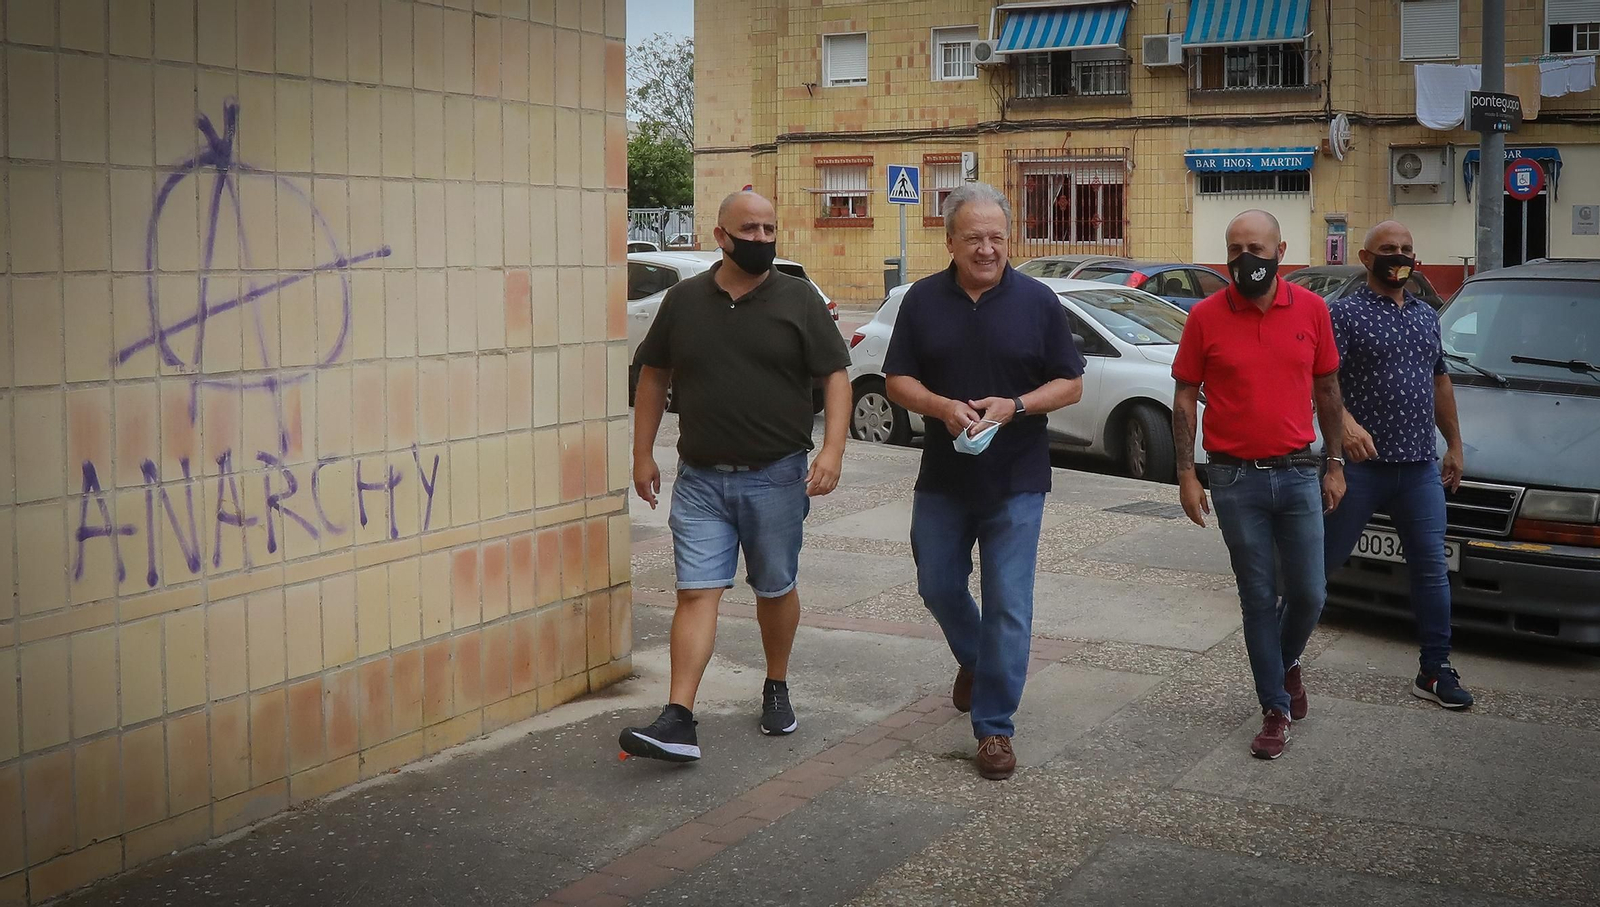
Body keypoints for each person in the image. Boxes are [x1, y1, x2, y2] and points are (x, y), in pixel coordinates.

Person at [619, 191, 852, 762]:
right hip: (700, 480)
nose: (762, 239)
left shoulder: (798, 300)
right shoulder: (683, 300)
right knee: (696, 593)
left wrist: (832, 453)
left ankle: (776, 684)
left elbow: (837, 376)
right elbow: (654, 374)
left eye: (770, 229)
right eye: (749, 229)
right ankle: (678, 718)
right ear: (720, 235)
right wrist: (642, 454)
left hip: (776, 477)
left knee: (774, 588)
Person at [884, 183, 1085, 781]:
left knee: (1009, 604)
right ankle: (976, 658)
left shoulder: (1039, 301)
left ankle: (995, 727)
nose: (988, 249)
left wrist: (1016, 405)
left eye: (997, 237)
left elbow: (1070, 383)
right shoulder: (921, 301)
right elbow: (897, 381)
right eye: (974, 238)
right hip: (943, 476)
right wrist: (945, 408)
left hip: (1017, 477)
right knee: (937, 584)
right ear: (949, 241)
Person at [1171, 209, 1348, 761]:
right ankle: (1274, 706)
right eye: (1235, 248)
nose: (1245, 257)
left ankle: (1284, 661)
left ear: (1280, 250)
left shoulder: (1313, 310)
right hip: (1232, 477)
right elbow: (1183, 398)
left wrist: (1336, 463)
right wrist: (1184, 474)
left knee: (1309, 593)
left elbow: (1328, 391)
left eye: (1256, 246)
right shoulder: (1204, 316)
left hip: (1299, 472)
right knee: (1255, 597)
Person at [1323, 221, 1473, 709]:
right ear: (1367, 259)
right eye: (1388, 249)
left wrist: (1454, 443)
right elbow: (1321, 382)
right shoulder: (1343, 314)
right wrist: (1344, 425)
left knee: (1431, 569)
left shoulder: (1427, 316)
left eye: (1407, 249)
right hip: (1360, 468)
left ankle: (1435, 669)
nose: (1399, 256)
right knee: (1320, 567)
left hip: (1418, 470)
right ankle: (1284, 665)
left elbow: (1440, 382)